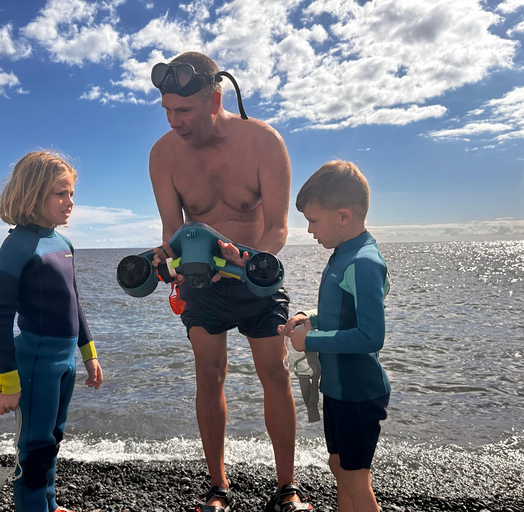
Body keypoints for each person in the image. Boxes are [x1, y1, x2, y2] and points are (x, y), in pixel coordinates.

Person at [149, 51, 312, 512]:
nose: (174, 121)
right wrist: (169, 261)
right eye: (167, 111)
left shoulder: (263, 142)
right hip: (202, 284)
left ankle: (287, 489)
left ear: (215, 98)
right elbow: (171, 229)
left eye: (184, 111)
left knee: (275, 374)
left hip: (257, 280)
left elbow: (278, 227)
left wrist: (252, 260)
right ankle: (218, 488)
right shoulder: (163, 154)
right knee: (208, 375)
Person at [0, 151, 103, 512]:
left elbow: (75, 303)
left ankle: (49, 503)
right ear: (32, 193)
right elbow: (0, 319)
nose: (69, 203)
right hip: (36, 361)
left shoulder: (63, 244)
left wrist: (90, 356)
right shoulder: (17, 247)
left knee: (53, 437)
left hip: (65, 360)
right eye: (60, 194)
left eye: (71, 194)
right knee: (34, 445)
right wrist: (8, 384)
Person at [280, 161, 390, 512]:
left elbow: (371, 336)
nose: (309, 230)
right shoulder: (342, 254)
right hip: (338, 389)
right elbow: (341, 315)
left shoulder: (364, 262)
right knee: (339, 466)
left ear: (344, 216)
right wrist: (307, 317)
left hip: (359, 393)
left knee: (356, 479)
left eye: (313, 221)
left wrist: (310, 341)